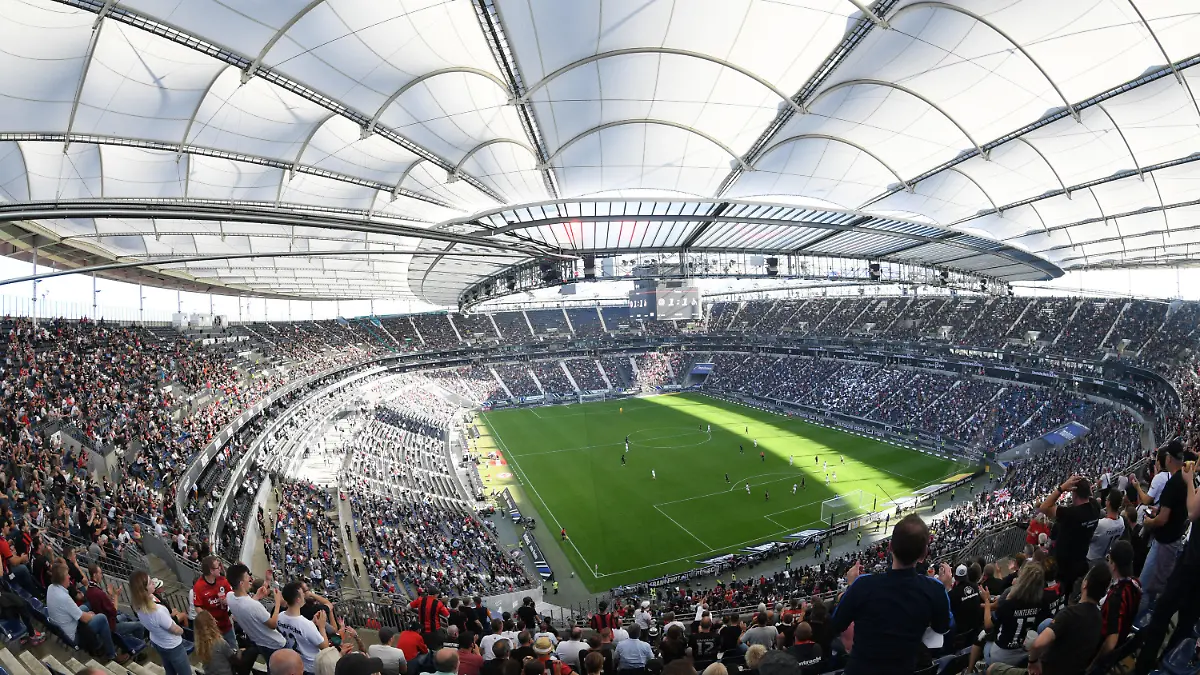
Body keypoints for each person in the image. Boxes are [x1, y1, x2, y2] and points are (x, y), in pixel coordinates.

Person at [829, 515, 953, 675]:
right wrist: (946, 590)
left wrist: (851, 587)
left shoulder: (862, 585)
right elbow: (943, 627)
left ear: (890, 547)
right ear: (924, 554)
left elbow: (836, 624)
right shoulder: (935, 589)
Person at [1134, 458, 1200, 675]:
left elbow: (1193, 511)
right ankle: (1166, 662)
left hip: (1193, 561)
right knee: (1187, 619)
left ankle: (1144, 666)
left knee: (1163, 611)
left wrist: (1190, 481)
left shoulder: (1181, 483)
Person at [989, 563, 1111, 675]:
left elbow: (1037, 644)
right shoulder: (1099, 619)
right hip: (1073, 669)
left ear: (1085, 584)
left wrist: (1033, 662)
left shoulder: (1069, 614)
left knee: (992, 668)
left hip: (1045, 669)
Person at [1137, 441, 1191, 615]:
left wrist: (1149, 521)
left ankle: (1136, 624)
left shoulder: (1172, 484)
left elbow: (1162, 520)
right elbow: (1174, 510)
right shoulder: (1184, 478)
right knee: (1155, 584)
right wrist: (1159, 509)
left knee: (1144, 586)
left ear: (1168, 458)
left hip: (1164, 542)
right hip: (1173, 539)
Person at [47, 562, 128, 663]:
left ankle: (99, 641)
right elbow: (84, 618)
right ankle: (112, 654)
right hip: (73, 635)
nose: (69, 576)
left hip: (63, 627)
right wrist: (91, 615)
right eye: (67, 575)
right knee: (102, 618)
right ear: (62, 579)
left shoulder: (51, 588)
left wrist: (88, 613)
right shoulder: (64, 598)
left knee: (86, 606)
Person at [973, 563, 1045, 670]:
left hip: (1001, 656)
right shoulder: (1041, 603)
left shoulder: (1009, 604)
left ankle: (982, 666)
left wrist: (987, 601)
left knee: (982, 636)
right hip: (1023, 654)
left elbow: (988, 625)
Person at [1039, 475, 1101, 597]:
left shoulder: (1070, 514)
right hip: (1080, 560)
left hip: (1063, 566)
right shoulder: (1095, 508)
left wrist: (1061, 488)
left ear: (1073, 493)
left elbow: (1044, 507)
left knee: (1061, 593)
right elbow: (1092, 497)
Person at [131, 570, 191, 675]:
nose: (153, 583)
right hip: (172, 645)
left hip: (157, 641)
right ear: (144, 590)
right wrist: (181, 630)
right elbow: (175, 629)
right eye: (150, 583)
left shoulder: (137, 605)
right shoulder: (158, 611)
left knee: (170, 670)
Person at [1092, 541, 1140, 670]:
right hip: (1124, 634)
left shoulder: (1117, 598)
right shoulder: (1136, 583)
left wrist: (1095, 662)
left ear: (1113, 565)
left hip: (1102, 646)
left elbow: (1111, 641)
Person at [226, 564, 287, 664]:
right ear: (241, 583)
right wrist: (278, 603)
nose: (250, 579)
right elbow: (272, 624)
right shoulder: (254, 606)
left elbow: (244, 604)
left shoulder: (230, 597)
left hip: (260, 643)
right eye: (247, 577)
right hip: (275, 644)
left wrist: (257, 595)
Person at [83, 563, 147, 648]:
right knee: (139, 625)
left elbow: (102, 605)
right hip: (111, 626)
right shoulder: (98, 593)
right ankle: (138, 646)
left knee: (125, 616)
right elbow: (113, 611)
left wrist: (109, 596)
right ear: (95, 574)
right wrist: (116, 595)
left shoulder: (89, 590)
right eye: (100, 573)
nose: (102, 575)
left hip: (107, 621)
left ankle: (132, 638)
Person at [277, 582, 331, 674]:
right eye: (302, 594)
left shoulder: (280, 617)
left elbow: (298, 629)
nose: (304, 597)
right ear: (298, 600)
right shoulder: (305, 624)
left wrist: (312, 623)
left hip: (296, 662)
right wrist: (321, 627)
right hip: (311, 667)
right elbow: (325, 646)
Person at [194, 555, 236, 648]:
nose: (220, 568)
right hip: (212, 628)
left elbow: (233, 595)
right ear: (211, 571)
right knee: (218, 649)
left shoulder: (222, 580)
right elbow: (197, 606)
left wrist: (227, 600)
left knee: (233, 646)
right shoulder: (199, 586)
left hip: (226, 623)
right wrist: (207, 619)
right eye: (218, 567)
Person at [196, 610, 255, 675]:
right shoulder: (220, 642)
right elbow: (235, 661)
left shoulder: (199, 646)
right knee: (252, 651)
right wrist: (240, 652)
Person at [1086, 491, 1125, 566]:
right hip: (1105, 558)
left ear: (1108, 503)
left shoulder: (1101, 524)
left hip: (1092, 558)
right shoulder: (1121, 523)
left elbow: (1087, 538)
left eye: (1107, 499)